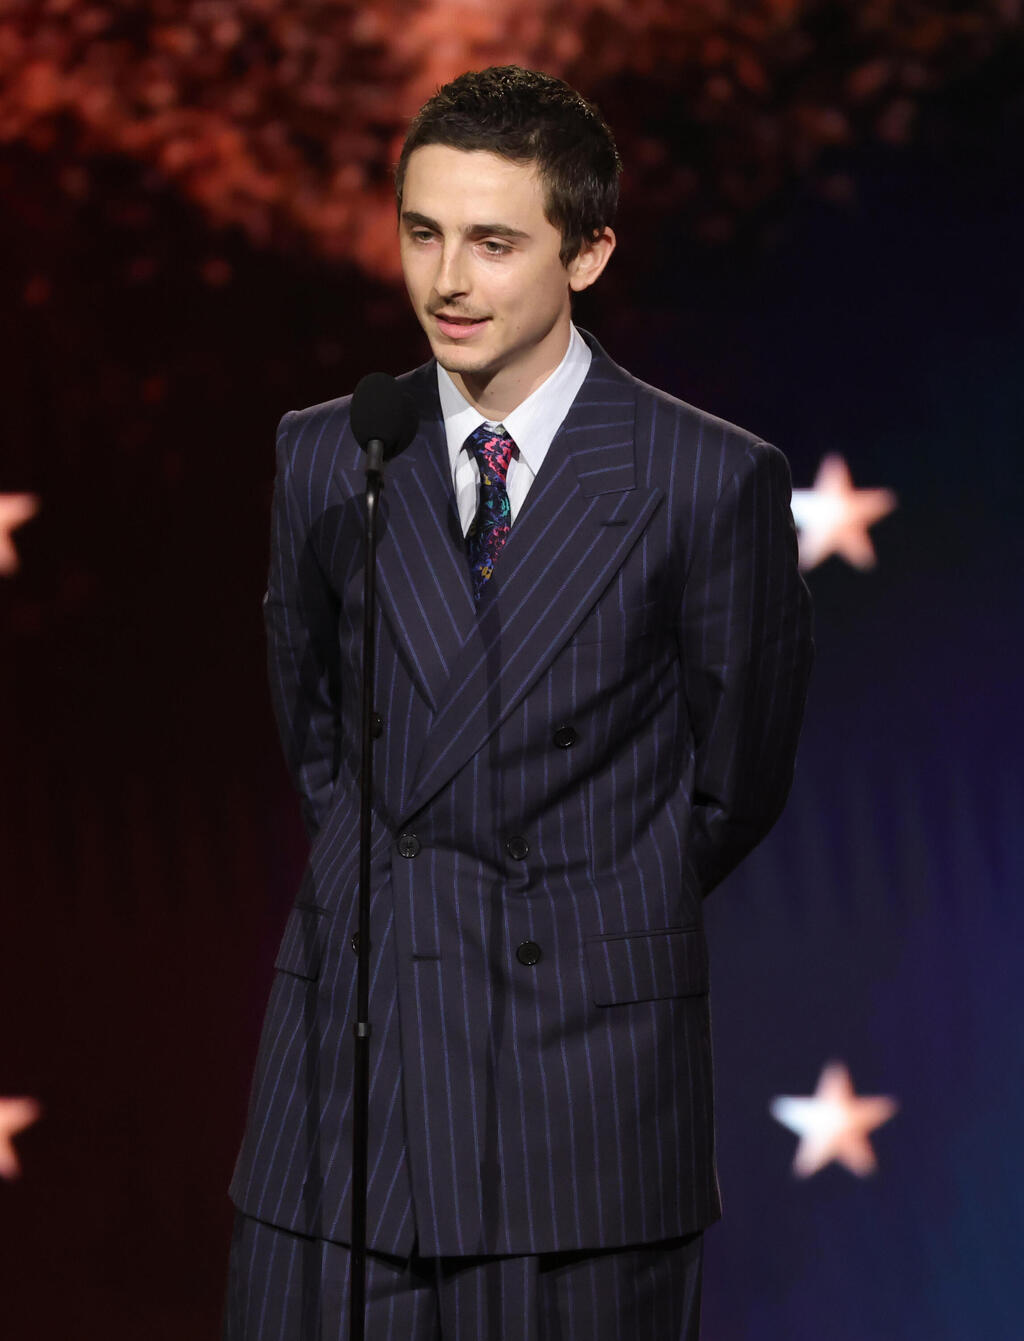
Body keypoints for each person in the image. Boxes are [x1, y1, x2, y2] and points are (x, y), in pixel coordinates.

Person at [224, 65, 813, 1340]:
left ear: (588, 253)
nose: (447, 281)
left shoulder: (705, 480)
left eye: (493, 242)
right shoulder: (332, 450)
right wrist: (415, 895)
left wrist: (586, 898)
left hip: (582, 1090)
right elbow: (315, 729)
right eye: (423, 234)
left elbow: (734, 782)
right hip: (352, 1075)